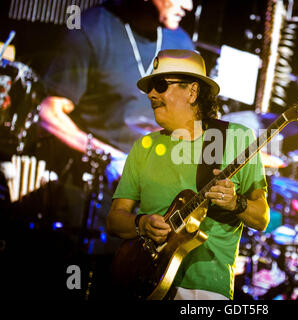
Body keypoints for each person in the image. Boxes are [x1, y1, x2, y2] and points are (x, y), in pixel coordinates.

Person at [106, 49, 270, 300]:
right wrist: (141, 223)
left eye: (160, 86)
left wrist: (236, 202)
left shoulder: (235, 139)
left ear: (192, 92)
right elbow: (115, 220)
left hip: (204, 290)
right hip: (140, 284)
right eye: (150, 87)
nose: (151, 94)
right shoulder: (144, 146)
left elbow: (261, 219)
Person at [36, 0, 195, 253]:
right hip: (90, 191)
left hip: (152, 201)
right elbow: (49, 113)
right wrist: (110, 158)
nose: (189, 5)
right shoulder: (92, 26)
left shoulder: (182, 44)